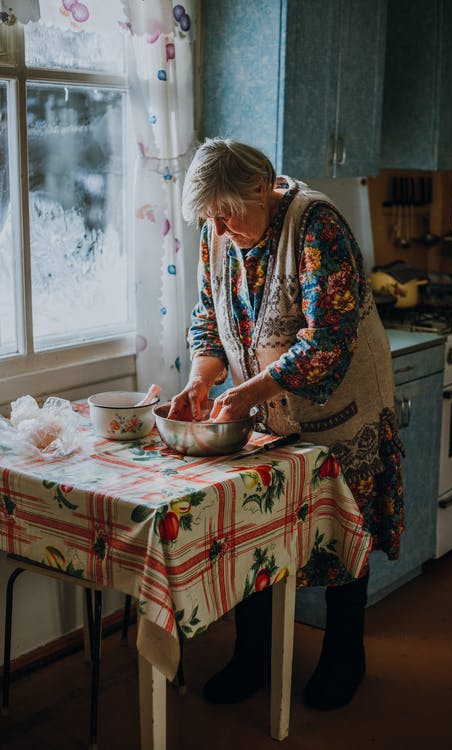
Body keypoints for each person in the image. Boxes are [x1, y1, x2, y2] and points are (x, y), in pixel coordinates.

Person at [169, 137, 404, 711]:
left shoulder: (316, 225)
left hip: (343, 415)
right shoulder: (218, 233)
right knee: (256, 530)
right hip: (269, 416)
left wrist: (247, 393)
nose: (219, 231)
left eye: (226, 215)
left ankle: (346, 654)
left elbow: (327, 339)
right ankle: (252, 655)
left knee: (343, 529)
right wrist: (203, 379)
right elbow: (206, 321)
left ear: (262, 188)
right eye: (209, 220)